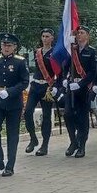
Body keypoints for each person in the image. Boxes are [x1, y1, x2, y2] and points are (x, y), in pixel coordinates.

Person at [0, 33, 30, 177]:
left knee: (12, 134)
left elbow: (24, 82)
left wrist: (9, 92)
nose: (6, 47)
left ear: (14, 47)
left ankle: (10, 165)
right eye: (4, 45)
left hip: (13, 102)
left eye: (9, 45)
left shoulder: (20, 62)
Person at [61, 26, 96, 158]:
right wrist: (65, 79)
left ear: (87, 36)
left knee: (82, 118)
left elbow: (93, 72)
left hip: (84, 88)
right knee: (68, 115)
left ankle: (82, 145)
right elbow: (65, 66)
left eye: (82, 33)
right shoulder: (72, 50)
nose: (79, 35)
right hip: (71, 87)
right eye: (78, 33)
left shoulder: (91, 52)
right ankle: (73, 142)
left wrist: (81, 84)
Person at [24, 28, 57, 156]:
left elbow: (58, 72)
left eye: (47, 36)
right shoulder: (37, 52)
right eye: (43, 36)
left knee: (47, 116)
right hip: (35, 86)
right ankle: (33, 139)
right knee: (27, 113)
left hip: (47, 88)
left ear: (52, 38)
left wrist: (55, 86)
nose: (45, 38)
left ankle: (45, 145)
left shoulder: (55, 53)